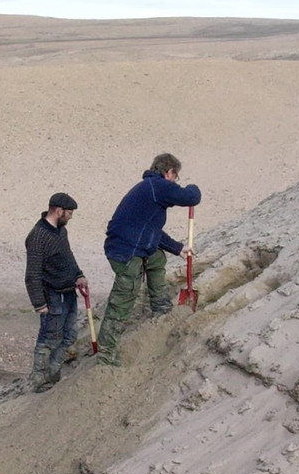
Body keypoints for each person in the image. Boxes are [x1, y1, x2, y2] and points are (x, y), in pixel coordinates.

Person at [96, 153, 201, 366]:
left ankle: (160, 306)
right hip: (126, 252)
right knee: (123, 299)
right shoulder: (157, 186)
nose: (175, 181)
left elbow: (152, 231)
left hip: (131, 245)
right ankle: (106, 355)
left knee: (156, 258)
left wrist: (178, 248)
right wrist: (193, 187)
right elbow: (191, 197)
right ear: (168, 172)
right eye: (176, 176)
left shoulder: (148, 190)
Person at [24, 192, 89, 392]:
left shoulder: (61, 231)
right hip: (51, 296)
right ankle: (40, 382)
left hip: (69, 292)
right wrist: (39, 304)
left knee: (69, 337)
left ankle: (53, 375)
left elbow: (67, 255)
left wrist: (79, 275)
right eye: (69, 213)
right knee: (49, 339)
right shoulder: (37, 236)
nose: (71, 217)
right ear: (58, 211)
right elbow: (32, 273)